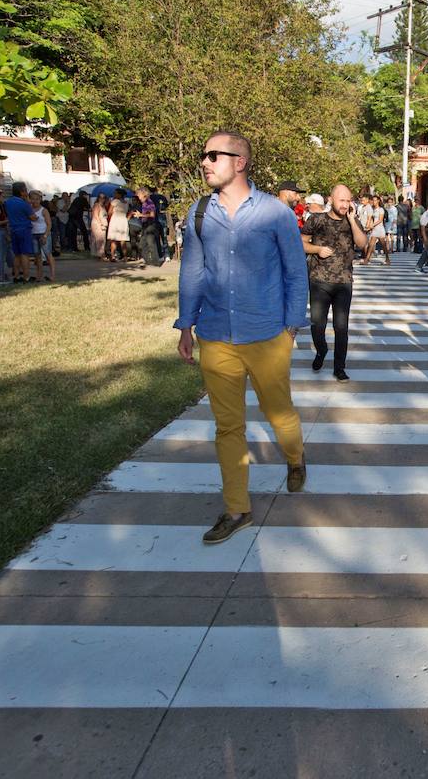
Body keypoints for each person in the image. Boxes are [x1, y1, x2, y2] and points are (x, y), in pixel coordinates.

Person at [174, 130, 308, 544]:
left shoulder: (274, 213)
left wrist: (291, 326)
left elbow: (294, 271)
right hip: (215, 336)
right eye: (204, 155)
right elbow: (193, 272)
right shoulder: (198, 214)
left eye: (215, 155)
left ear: (240, 162)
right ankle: (237, 509)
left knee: (278, 411)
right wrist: (185, 324)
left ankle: (295, 456)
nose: (205, 162)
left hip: (267, 333)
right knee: (227, 426)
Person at [301, 184, 367, 381]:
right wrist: (317, 250)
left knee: (341, 328)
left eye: (348, 201)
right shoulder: (317, 219)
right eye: (342, 200)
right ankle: (321, 351)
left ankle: (340, 367)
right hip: (319, 281)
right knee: (317, 325)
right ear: (331, 200)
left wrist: (353, 220)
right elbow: (300, 242)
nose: (345, 205)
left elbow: (362, 244)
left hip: (344, 282)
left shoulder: (352, 221)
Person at [28, 190, 56, 281]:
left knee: (48, 254)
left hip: (43, 233)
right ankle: (39, 275)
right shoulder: (30, 210)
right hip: (33, 234)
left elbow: (49, 224)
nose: (35, 201)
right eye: (33, 199)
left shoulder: (44, 210)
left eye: (37, 199)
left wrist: (45, 235)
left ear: (40, 200)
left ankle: (52, 275)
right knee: (37, 256)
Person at [135, 187, 161, 267]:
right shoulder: (144, 203)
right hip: (145, 224)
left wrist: (141, 215)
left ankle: (156, 262)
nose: (138, 197)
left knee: (151, 243)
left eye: (139, 195)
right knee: (142, 245)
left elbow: (152, 215)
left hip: (150, 224)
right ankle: (149, 261)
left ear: (143, 194)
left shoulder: (149, 202)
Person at [107, 189, 131, 261]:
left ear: (119, 194)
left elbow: (109, 212)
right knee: (123, 240)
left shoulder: (115, 201)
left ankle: (113, 256)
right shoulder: (126, 202)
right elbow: (129, 212)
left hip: (115, 220)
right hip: (123, 220)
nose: (114, 194)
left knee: (113, 239)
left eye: (115, 193)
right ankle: (125, 256)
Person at [89, 194, 109, 261]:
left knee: (102, 240)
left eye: (104, 197)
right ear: (98, 198)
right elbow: (95, 215)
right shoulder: (97, 205)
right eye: (100, 197)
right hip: (98, 224)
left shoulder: (103, 206)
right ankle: (101, 255)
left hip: (102, 224)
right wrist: (101, 224)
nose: (102, 199)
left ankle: (100, 255)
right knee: (100, 240)